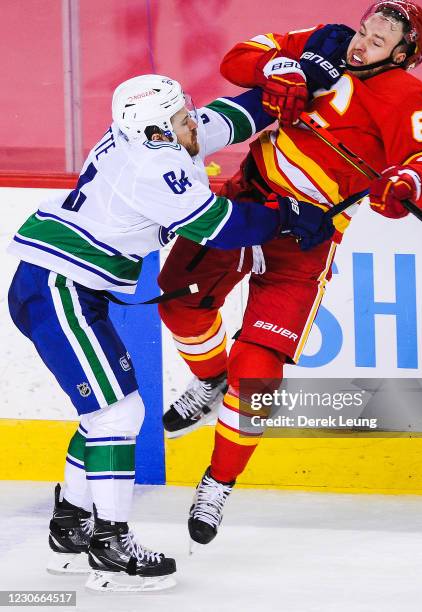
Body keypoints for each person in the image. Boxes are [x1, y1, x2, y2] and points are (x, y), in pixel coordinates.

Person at [6, 74, 334, 591]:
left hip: (60, 283)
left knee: (105, 413)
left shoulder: (153, 134)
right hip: (57, 286)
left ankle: (71, 527)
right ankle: (110, 545)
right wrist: (287, 216)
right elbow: (226, 228)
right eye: (183, 118)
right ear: (159, 133)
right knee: (119, 412)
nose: (193, 121)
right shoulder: (154, 169)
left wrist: (304, 80)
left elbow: (230, 119)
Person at [157, 0, 422, 545]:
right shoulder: (327, 39)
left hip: (305, 241)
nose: (362, 43)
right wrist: (279, 71)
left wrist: (403, 186)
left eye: (380, 40)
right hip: (246, 204)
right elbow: (239, 58)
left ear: (404, 56)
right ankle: (208, 379)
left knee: (259, 372)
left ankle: (219, 481)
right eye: (367, 29)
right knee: (177, 301)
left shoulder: (409, 96)